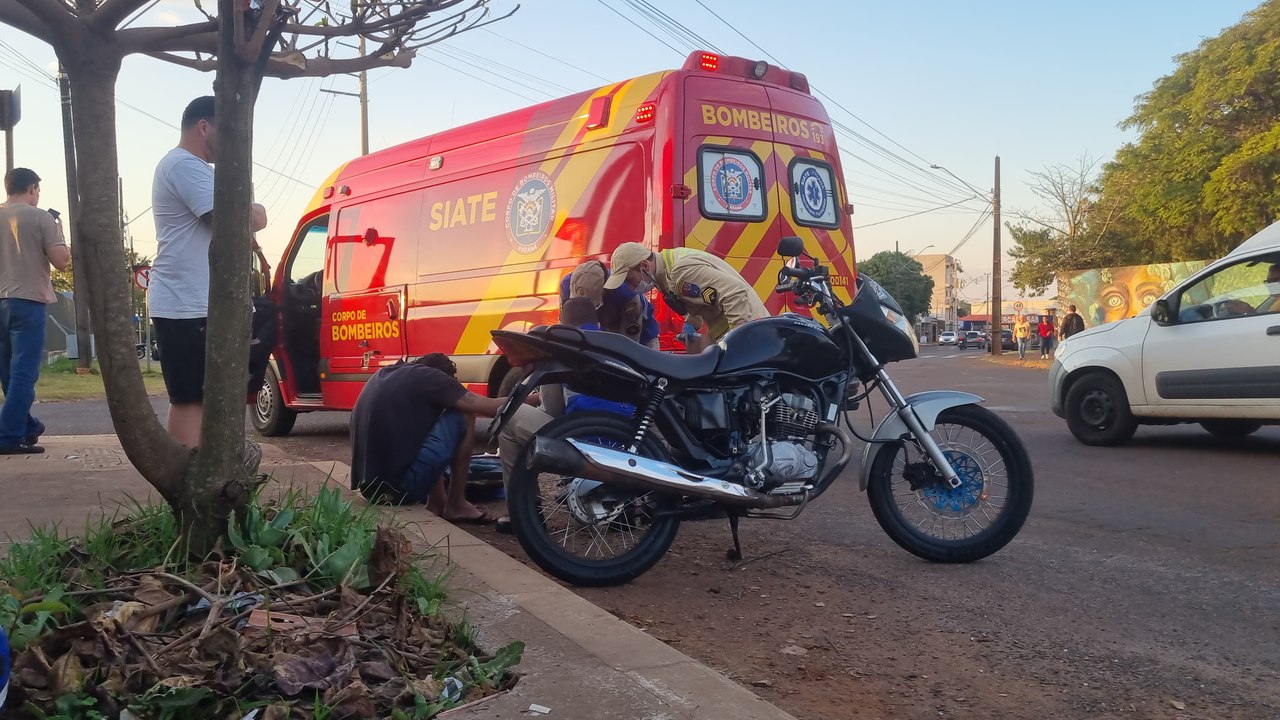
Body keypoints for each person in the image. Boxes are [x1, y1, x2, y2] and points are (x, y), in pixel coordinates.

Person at [149, 95, 268, 448]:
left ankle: (203, 481)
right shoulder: (183, 165)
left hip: (194, 302)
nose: (233, 140)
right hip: (185, 304)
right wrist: (255, 211)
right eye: (227, 130)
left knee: (201, 397)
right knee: (190, 398)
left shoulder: (192, 168)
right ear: (204, 126)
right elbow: (237, 219)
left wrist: (251, 214)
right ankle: (190, 487)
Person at [490, 297, 637, 533]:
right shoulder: (619, 345)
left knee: (507, 421)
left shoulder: (562, 350)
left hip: (585, 445)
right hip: (627, 444)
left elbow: (553, 410)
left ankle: (525, 512)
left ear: (563, 321)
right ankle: (625, 505)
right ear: (595, 320)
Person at [351, 352, 527, 522]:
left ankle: (437, 501)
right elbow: (490, 407)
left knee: (429, 422)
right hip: (399, 491)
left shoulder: (386, 373)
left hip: (370, 490)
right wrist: (536, 397)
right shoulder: (432, 377)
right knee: (464, 414)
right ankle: (457, 504)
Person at [0, 168, 70, 455]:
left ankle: (28, 426)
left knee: (8, 373)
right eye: (37, 190)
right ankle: (6, 436)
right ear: (32, 188)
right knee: (24, 375)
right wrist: (60, 233)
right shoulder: (41, 217)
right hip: (28, 300)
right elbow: (61, 261)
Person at [603, 242, 768, 347]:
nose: (630, 288)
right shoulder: (664, 274)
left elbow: (736, 294)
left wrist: (736, 342)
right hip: (737, 332)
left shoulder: (680, 271)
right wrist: (691, 324)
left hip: (753, 337)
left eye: (630, 279)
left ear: (644, 265)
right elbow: (703, 297)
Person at [559, 258, 659, 347]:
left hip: (641, 336)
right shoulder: (565, 284)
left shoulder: (626, 294)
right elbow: (566, 329)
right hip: (601, 325)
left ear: (604, 291)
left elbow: (630, 347)